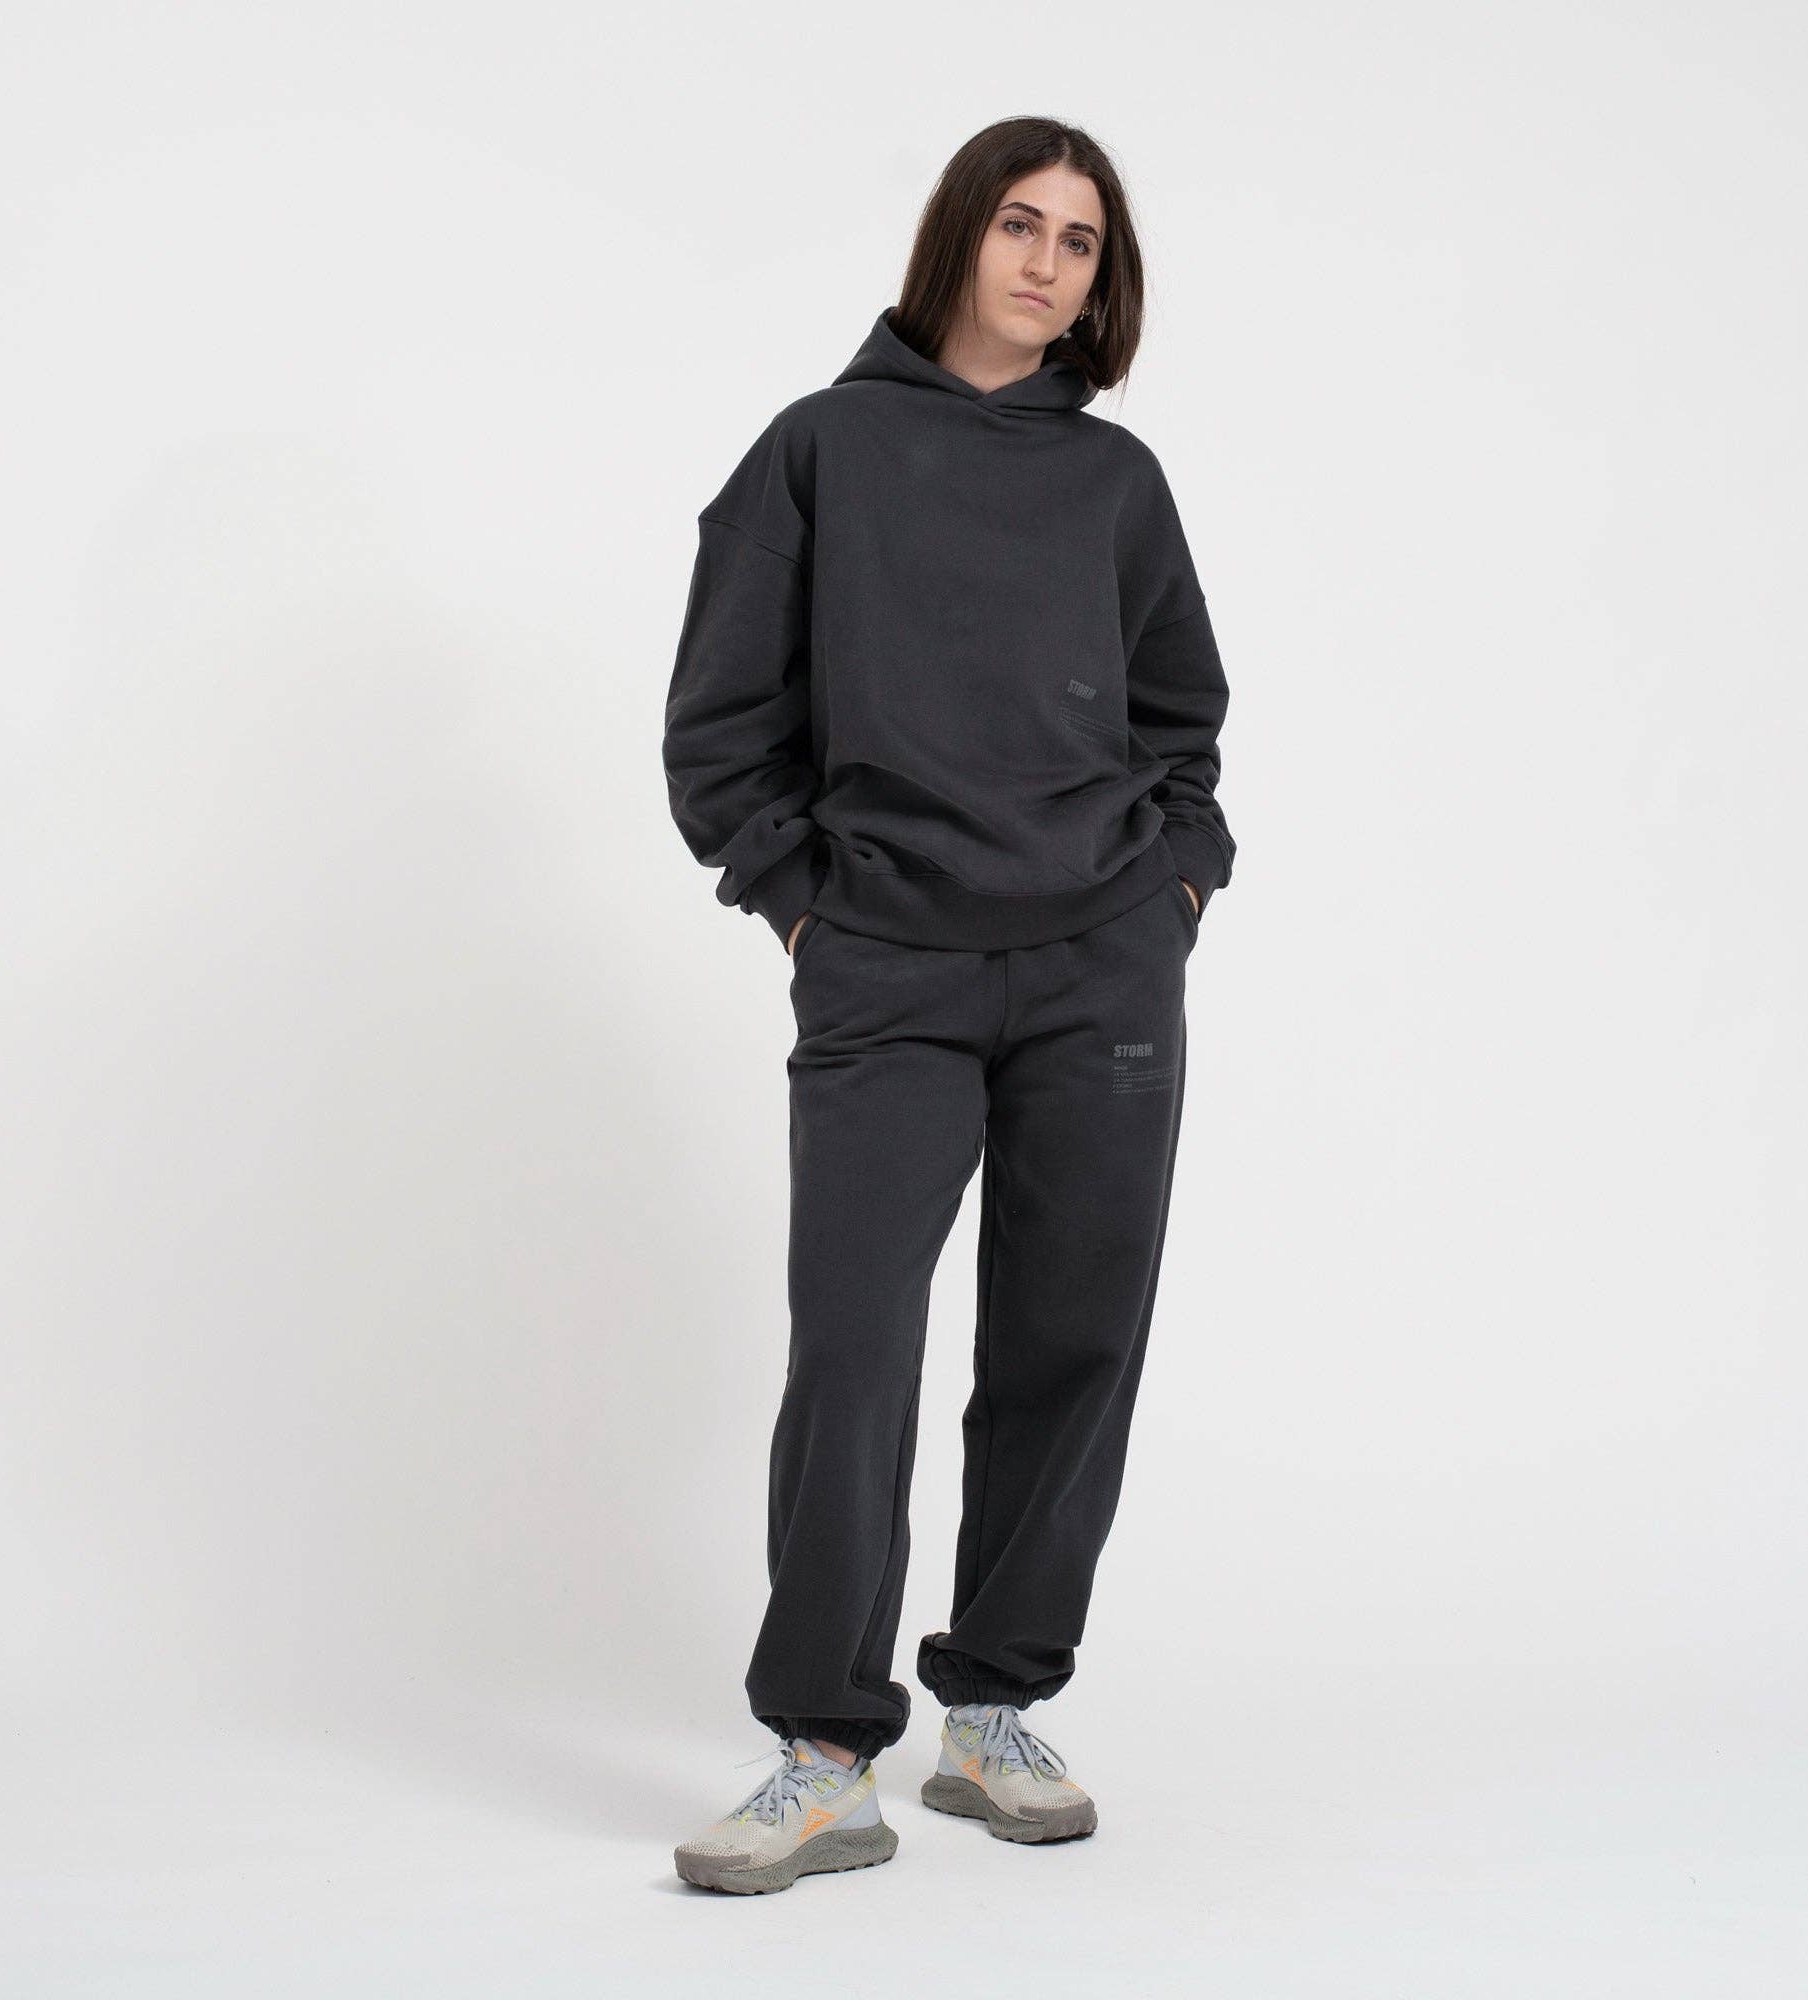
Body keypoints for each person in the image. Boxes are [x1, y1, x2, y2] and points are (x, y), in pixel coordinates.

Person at [660, 114, 1235, 1895]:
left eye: (1081, 240)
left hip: (1100, 965)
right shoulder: (819, 450)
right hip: (888, 966)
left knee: (1074, 1336)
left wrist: (1176, 883)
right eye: (1020, 224)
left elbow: (1182, 716)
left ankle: (992, 1708)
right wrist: (803, 910)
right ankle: (826, 1753)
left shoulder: (1116, 482)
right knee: (854, 1343)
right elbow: (720, 724)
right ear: (958, 236)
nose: (1047, 262)